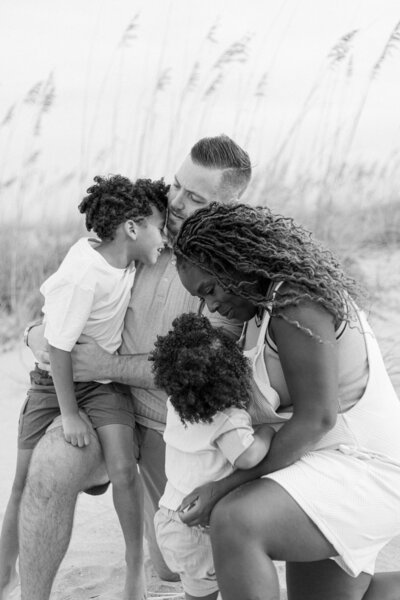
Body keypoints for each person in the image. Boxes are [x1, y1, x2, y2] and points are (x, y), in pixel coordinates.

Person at [13, 135, 252, 600]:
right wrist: (35, 334)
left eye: (196, 198)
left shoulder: (229, 271)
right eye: (179, 186)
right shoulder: (140, 226)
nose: (177, 202)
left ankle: (146, 547)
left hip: (173, 431)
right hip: (107, 405)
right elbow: (67, 301)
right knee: (48, 468)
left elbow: (202, 368)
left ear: (227, 205)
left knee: (169, 568)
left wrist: (106, 362)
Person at [173, 201, 400, 600]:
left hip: (367, 467)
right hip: (323, 461)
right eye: (201, 298)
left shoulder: (295, 300)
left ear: (237, 261)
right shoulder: (260, 310)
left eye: (210, 289)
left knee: (236, 521)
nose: (211, 305)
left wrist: (225, 486)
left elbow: (318, 419)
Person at [0, 175, 168, 600]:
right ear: (131, 228)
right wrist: (69, 413)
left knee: (122, 469)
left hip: (105, 384)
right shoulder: (83, 275)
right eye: (159, 228)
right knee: (23, 480)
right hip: (52, 382)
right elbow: (57, 348)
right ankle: (4, 568)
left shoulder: (126, 260)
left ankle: (135, 568)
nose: (163, 239)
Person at [150, 313, 274, 600]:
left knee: (197, 592)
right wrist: (267, 432)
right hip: (199, 529)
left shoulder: (177, 404)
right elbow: (247, 457)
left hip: (170, 514)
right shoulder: (227, 418)